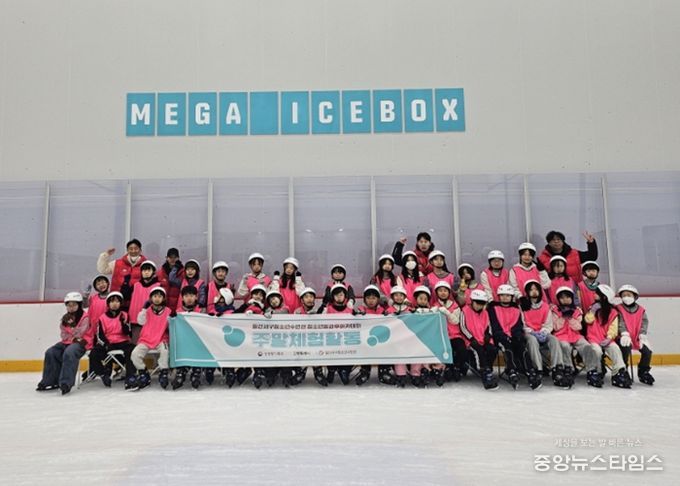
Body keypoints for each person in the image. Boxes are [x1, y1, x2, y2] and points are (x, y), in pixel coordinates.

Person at [36, 292, 89, 395]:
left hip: (81, 343)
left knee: (69, 353)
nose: (71, 308)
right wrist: (72, 335)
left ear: (79, 305)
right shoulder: (65, 318)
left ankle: (65, 383)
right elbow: (63, 334)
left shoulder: (85, 317)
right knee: (51, 352)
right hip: (67, 342)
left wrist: (72, 327)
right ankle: (50, 381)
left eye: (74, 305)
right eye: (69, 305)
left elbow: (81, 333)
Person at [584, 285, 632, 389]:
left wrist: (609, 338)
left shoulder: (613, 312)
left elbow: (613, 327)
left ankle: (618, 372)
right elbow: (588, 321)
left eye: (597, 293)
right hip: (593, 337)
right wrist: (592, 311)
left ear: (604, 297)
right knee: (596, 350)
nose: (594, 294)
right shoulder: (592, 308)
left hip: (607, 338)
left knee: (615, 349)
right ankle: (596, 371)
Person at [128, 287, 174, 391]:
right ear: (151, 298)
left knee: (165, 351)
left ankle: (163, 372)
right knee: (135, 354)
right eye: (155, 296)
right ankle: (143, 372)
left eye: (160, 296)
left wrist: (173, 317)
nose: (157, 298)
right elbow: (140, 321)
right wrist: (144, 309)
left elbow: (171, 326)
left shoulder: (168, 311)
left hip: (161, 338)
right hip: (146, 339)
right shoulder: (147, 311)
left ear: (163, 298)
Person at [520, 280, 563, 390]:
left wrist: (543, 332)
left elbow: (549, 324)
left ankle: (556, 368)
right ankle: (538, 369)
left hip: (543, 332)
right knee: (532, 341)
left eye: (536, 289)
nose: (534, 292)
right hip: (529, 333)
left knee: (554, 339)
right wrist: (532, 332)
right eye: (531, 290)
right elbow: (522, 324)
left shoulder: (545, 306)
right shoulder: (522, 306)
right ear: (527, 292)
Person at [549, 287, 595, 389]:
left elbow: (579, 327)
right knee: (564, 346)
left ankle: (591, 370)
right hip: (561, 335)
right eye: (562, 298)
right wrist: (562, 317)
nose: (565, 300)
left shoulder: (577, 310)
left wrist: (570, 318)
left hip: (575, 335)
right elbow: (555, 327)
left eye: (568, 297)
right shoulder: (555, 310)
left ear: (572, 298)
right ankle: (568, 367)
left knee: (586, 346)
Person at [88, 291, 136, 387]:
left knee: (132, 350)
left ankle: (130, 376)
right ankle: (103, 374)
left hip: (122, 341)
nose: (114, 304)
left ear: (120, 303)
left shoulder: (125, 315)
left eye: (117, 301)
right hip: (108, 342)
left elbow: (128, 333)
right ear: (108, 304)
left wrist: (123, 323)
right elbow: (100, 335)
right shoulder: (102, 318)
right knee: (93, 353)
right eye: (112, 301)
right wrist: (106, 345)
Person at [487, 284, 529, 389]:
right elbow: (494, 326)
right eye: (502, 295)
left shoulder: (516, 309)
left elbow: (518, 325)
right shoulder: (493, 309)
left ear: (511, 297)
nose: (505, 297)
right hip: (500, 337)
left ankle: (529, 370)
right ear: (498, 296)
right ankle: (511, 370)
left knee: (522, 347)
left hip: (513, 335)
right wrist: (503, 336)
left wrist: (517, 335)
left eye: (507, 295)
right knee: (508, 348)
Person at [456, 289, 498, 390]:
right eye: (477, 303)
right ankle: (484, 372)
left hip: (483, 338)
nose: (479, 305)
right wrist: (471, 338)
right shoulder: (464, 311)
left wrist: (488, 335)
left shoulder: (485, 312)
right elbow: (462, 327)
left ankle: (488, 368)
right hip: (470, 339)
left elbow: (488, 326)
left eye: (482, 303)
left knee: (492, 349)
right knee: (479, 351)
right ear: (472, 301)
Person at [616, 285, 654, 385]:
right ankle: (623, 369)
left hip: (637, 337)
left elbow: (644, 322)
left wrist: (642, 334)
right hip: (622, 337)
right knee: (625, 348)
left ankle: (643, 371)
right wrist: (623, 333)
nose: (626, 297)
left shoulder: (641, 310)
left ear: (634, 296)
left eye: (628, 295)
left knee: (647, 351)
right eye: (623, 295)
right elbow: (619, 322)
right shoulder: (618, 308)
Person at [96, 239, 147, 309]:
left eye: (136, 249)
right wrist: (106, 255)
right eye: (131, 249)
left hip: (136, 302)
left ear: (140, 250)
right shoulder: (117, 263)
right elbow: (103, 269)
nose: (133, 251)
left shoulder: (146, 265)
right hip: (116, 303)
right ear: (127, 250)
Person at [354, 285, 388, 386]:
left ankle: (384, 372)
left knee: (386, 348)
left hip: (380, 339)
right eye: (368, 298)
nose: (371, 301)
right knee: (365, 350)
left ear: (378, 299)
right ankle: (365, 372)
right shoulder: (361, 309)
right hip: (366, 339)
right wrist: (358, 315)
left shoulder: (382, 311)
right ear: (364, 299)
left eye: (373, 298)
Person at [432, 281, 465, 382]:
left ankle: (457, 367)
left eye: (445, 290)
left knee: (461, 349)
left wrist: (447, 312)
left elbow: (455, 321)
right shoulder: (434, 305)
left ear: (449, 292)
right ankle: (447, 368)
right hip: (441, 336)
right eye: (440, 291)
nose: (443, 293)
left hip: (455, 335)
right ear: (436, 293)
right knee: (442, 350)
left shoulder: (455, 305)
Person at [124, 260, 160, 343]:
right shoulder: (135, 285)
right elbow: (125, 297)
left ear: (153, 272)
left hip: (151, 321)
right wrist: (125, 284)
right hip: (135, 320)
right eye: (144, 270)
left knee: (150, 344)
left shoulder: (158, 286)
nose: (146, 272)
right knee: (135, 344)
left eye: (149, 270)